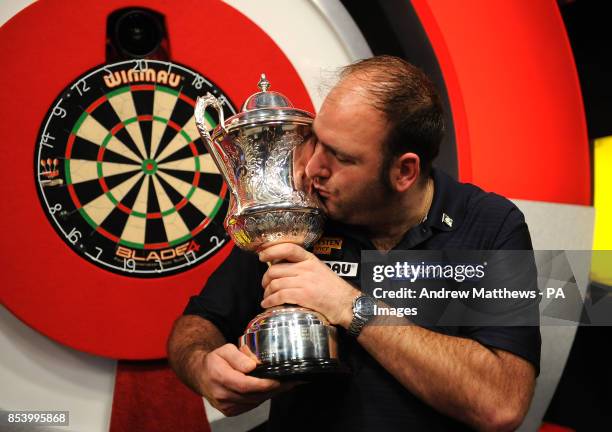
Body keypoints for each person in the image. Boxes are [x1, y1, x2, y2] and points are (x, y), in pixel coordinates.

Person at [167, 55, 540, 431]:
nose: (313, 168)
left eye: (341, 157)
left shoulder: (493, 224)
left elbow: (503, 404)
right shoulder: (301, 208)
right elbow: (196, 324)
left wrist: (349, 305)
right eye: (317, 142)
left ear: (403, 171)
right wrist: (204, 367)